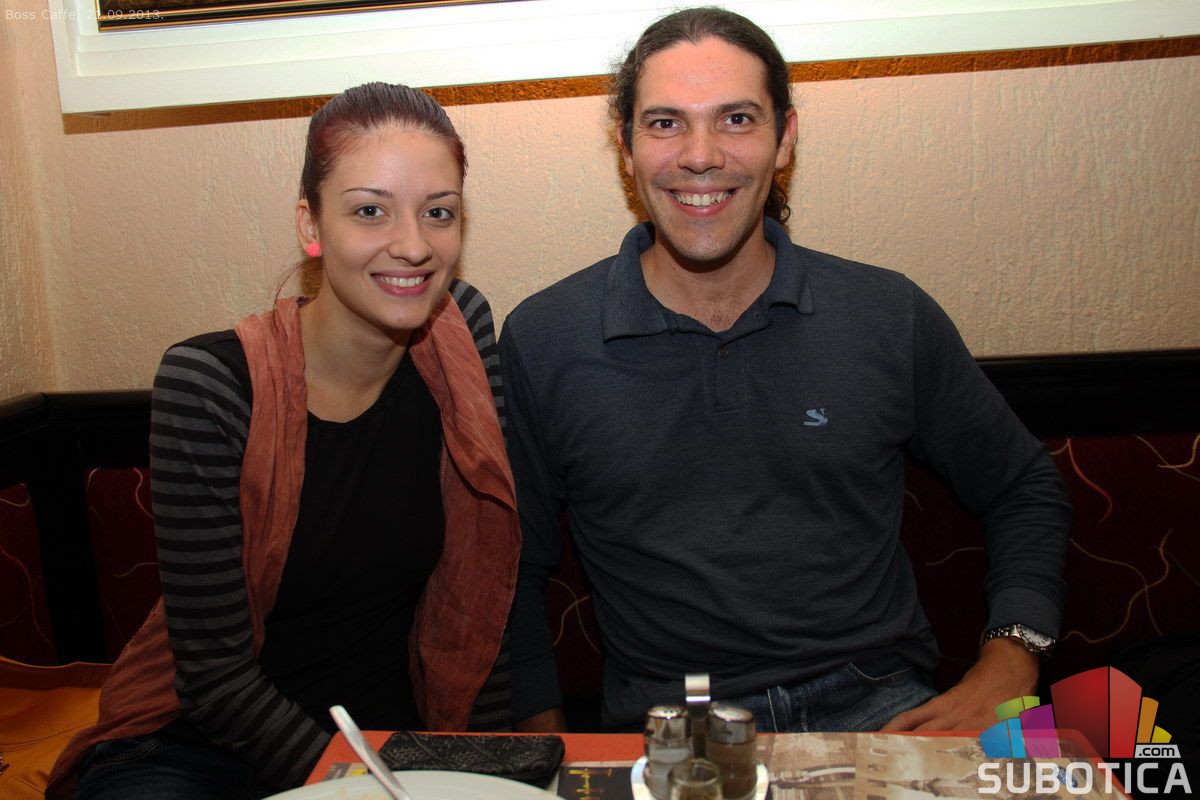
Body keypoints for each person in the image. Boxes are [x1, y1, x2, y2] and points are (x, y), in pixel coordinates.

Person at [501, 7, 1070, 735]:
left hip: (878, 706)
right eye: (666, 123)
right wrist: (544, 747)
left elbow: (1023, 485)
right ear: (626, 145)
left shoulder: (886, 314)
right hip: (674, 727)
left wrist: (1011, 660)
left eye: (736, 119)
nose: (700, 155)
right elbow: (507, 564)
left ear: (785, 139)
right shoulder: (546, 338)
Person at [48, 82, 519, 799]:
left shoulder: (463, 331)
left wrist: (491, 771)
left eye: (439, 212)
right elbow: (213, 679)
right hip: (198, 754)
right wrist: (359, 788)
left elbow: (482, 581)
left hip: (386, 744)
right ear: (311, 225)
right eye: (370, 210)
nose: (414, 246)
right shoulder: (209, 382)